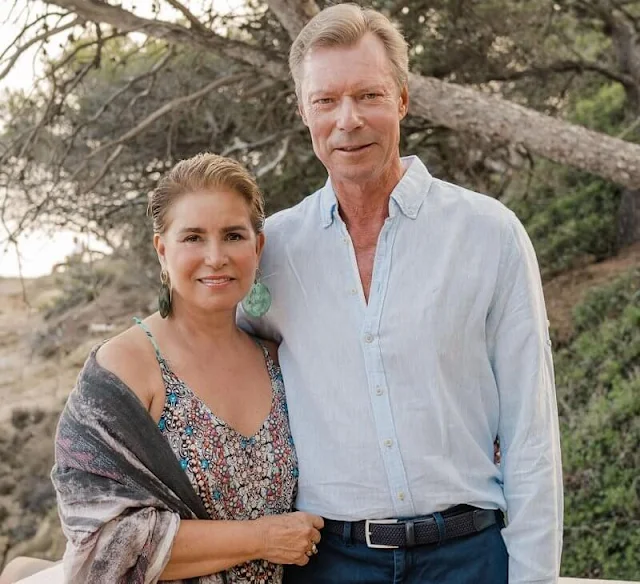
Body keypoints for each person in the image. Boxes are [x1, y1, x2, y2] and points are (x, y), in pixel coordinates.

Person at [238, 4, 563, 584]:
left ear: (403, 99)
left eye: (369, 95)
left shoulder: (489, 234)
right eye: (326, 101)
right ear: (303, 111)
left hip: (469, 557)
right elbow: (219, 360)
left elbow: (530, 432)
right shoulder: (271, 253)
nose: (348, 120)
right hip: (327, 563)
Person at [1, 153, 323, 584]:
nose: (215, 256)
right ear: (162, 249)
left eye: (233, 235)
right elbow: (100, 544)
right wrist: (261, 538)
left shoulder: (279, 360)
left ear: (257, 246)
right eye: (193, 237)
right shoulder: (125, 367)